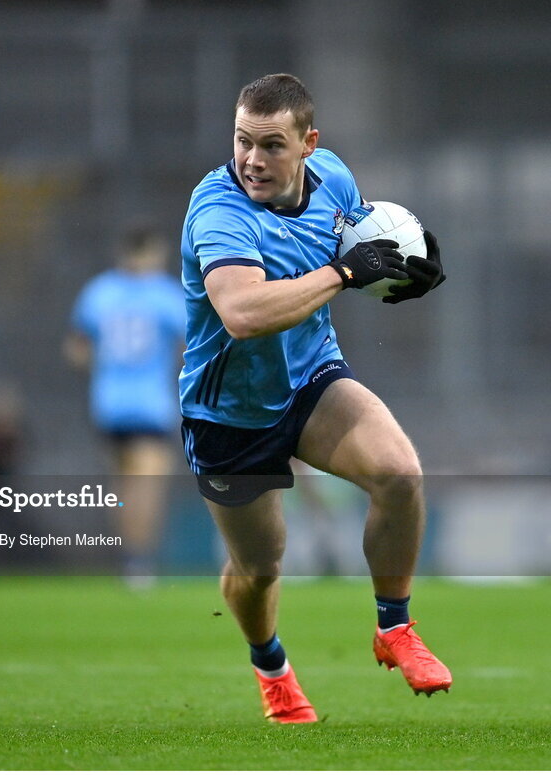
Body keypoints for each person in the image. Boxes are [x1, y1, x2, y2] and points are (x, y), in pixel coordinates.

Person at [178, 73, 449, 723]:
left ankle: (395, 626)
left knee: (400, 474)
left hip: (310, 379)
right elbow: (242, 312)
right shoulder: (218, 209)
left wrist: (406, 268)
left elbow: (361, 242)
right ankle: (271, 665)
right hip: (229, 412)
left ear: (308, 144)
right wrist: (343, 274)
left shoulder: (334, 179)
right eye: (242, 141)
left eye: (271, 145)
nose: (251, 159)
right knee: (261, 566)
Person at [65, 226, 187, 585]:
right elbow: (188, 345)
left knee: (121, 485)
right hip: (150, 402)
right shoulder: (166, 294)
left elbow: (76, 349)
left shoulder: (99, 291)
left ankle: (129, 558)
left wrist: (106, 368)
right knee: (148, 484)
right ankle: (140, 561)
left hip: (108, 402)